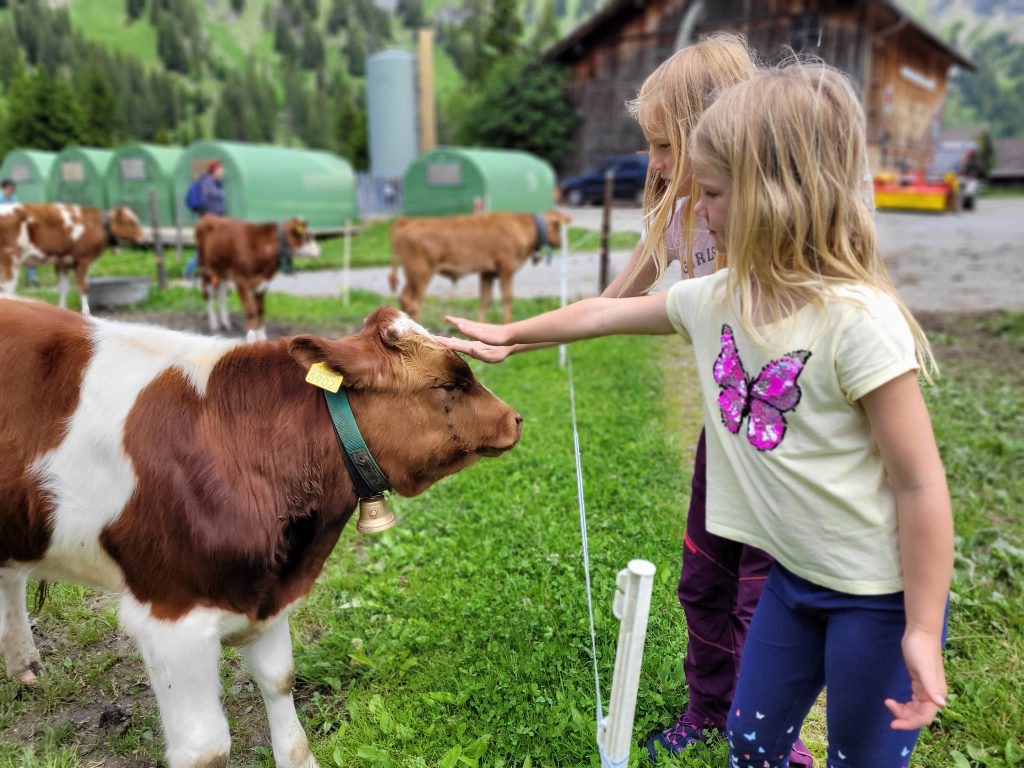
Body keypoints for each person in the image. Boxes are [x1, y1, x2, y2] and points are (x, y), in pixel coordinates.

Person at [442, 61, 953, 767]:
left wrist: (923, 630)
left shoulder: (860, 324)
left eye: (711, 192)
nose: (697, 212)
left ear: (778, 196)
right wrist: (509, 334)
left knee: (861, 758)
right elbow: (602, 311)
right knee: (748, 739)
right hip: (793, 584)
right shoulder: (717, 299)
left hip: (875, 595)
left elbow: (921, 485)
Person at [184, 160, 227, 279]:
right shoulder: (206, 183)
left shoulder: (218, 183)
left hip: (218, 219)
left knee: (215, 246)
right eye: (220, 170)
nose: (223, 172)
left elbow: (220, 202)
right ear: (214, 170)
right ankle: (189, 269)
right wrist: (209, 217)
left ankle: (215, 271)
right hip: (209, 220)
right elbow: (204, 202)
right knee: (205, 246)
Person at [2, 178, 39, 288]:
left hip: (13, 232)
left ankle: (32, 277)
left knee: (26, 252)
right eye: (8, 189)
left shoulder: (14, 200)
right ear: (4, 189)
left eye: (12, 190)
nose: (10, 191)